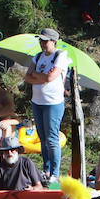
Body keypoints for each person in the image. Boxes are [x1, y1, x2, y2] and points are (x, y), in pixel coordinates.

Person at [25, 28, 70, 182]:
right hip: (37, 101)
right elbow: (27, 77)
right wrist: (41, 77)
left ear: (53, 41)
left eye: (45, 41)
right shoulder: (37, 57)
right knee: (42, 137)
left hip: (53, 103)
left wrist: (38, 76)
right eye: (41, 41)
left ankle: (55, 174)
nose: (42, 44)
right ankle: (46, 169)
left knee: (51, 138)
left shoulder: (60, 56)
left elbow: (51, 77)